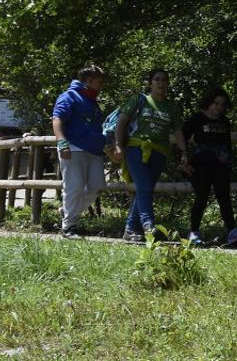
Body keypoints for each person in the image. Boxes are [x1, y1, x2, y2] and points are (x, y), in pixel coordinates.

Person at [113, 68, 189, 243]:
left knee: (144, 189)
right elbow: (122, 122)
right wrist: (118, 145)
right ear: (150, 83)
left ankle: (130, 230)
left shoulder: (171, 107)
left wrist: (184, 152)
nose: (161, 83)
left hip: (160, 153)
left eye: (164, 80)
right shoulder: (139, 100)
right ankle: (148, 225)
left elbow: (177, 132)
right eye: (157, 80)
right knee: (145, 186)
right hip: (136, 149)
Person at [183, 87, 237, 246]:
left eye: (223, 104)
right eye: (216, 103)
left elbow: (227, 145)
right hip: (200, 165)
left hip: (221, 166)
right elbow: (181, 136)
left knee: (224, 198)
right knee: (201, 198)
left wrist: (230, 162)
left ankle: (231, 231)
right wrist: (183, 160)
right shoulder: (197, 118)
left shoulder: (225, 122)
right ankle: (194, 232)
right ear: (208, 103)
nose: (219, 107)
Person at [51, 65, 107, 238]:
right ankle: (69, 227)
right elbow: (57, 118)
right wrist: (62, 142)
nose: (101, 85)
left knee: (97, 186)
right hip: (73, 147)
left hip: (94, 150)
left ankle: (68, 211)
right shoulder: (69, 96)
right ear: (90, 80)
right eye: (99, 81)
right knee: (74, 187)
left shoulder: (91, 100)